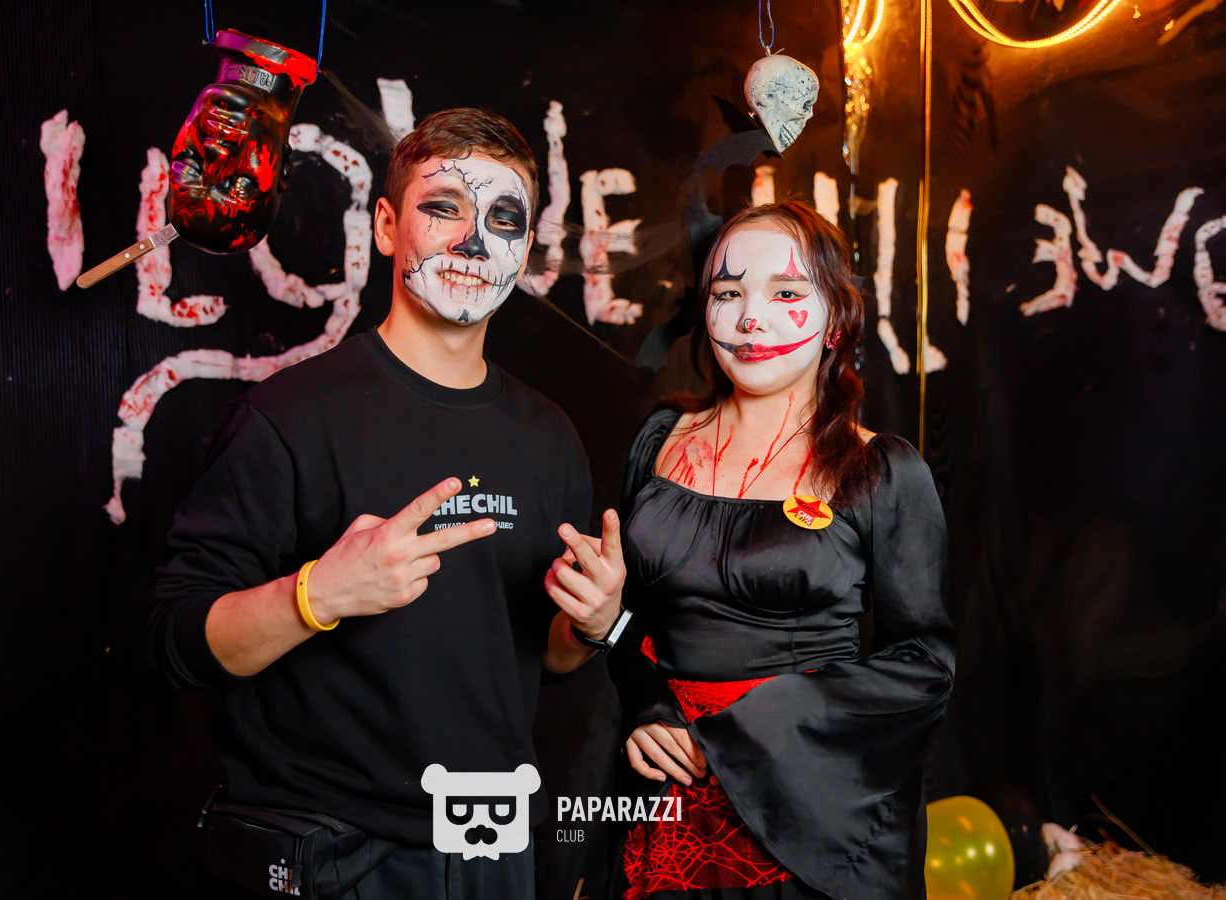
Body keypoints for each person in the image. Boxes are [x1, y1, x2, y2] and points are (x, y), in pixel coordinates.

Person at [148, 108, 626, 900]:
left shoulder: (549, 437)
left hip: (491, 849)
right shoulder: (287, 417)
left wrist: (589, 622)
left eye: (503, 219)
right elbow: (175, 644)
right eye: (443, 208)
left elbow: (544, 658)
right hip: (332, 855)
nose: (474, 242)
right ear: (383, 226)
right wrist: (318, 595)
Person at [553, 200, 955, 899]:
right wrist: (646, 701)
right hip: (663, 799)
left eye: (787, 293)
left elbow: (923, 665)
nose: (750, 319)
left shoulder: (881, 471)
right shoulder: (660, 438)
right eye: (728, 293)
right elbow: (628, 622)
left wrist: (735, 736)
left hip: (803, 815)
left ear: (836, 321)